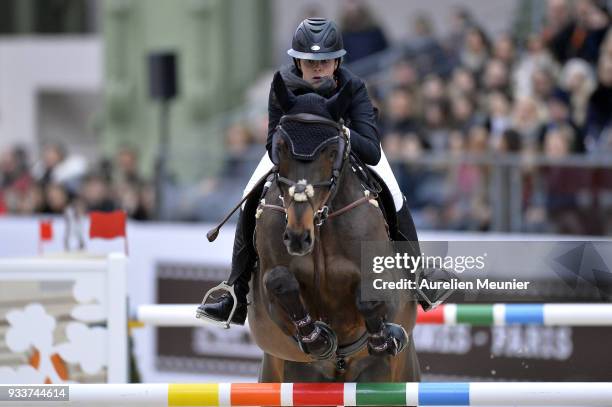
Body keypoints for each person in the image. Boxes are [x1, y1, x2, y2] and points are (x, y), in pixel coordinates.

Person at [198, 18, 450, 327]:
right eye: (310, 62)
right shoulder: (283, 85)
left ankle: (417, 276)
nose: (318, 68)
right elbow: (270, 145)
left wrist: (336, 131)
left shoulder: (354, 87)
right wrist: (290, 140)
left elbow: (370, 148)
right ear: (298, 62)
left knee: (394, 193)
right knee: (250, 194)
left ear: (337, 61)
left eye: (326, 61)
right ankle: (234, 292)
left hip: (347, 152)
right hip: (295, 160)